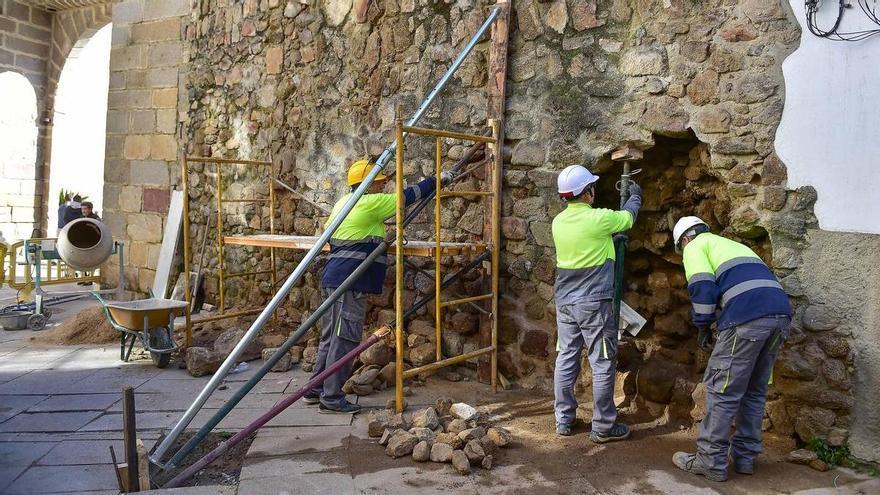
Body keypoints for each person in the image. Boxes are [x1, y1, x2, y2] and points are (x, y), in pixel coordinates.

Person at [303, 159, 453, 414]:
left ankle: (316, 388)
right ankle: (331, 397)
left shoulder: (342, 203)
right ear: (368, 184)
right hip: (350, 282)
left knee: (330, 337)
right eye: (380, 183)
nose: (382, 188)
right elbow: (408, 196)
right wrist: (439, 180)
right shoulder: (368, 202)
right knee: (345, 339)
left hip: (333, 279)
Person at [670, 216, 792, 482]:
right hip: (780, 316)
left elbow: (702, 286)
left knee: (721, 390)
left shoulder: (694, 246)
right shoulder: (731, 245)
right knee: (754, 391)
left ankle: (710, 461)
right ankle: (745, 458)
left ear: (684, 239)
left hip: (747, 318)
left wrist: (703, 326)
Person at [550, 164, 641, 442]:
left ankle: (563, 420)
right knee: (602, 361)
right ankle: (603, 426)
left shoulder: (558, 222)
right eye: (592, 188)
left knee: (566, 357)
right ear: (587, 192)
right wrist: (635, 196)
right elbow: (627, 218)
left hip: (565, 302)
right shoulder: (599, 219)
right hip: (594, 303)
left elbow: (586, 244)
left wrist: (611, 240)